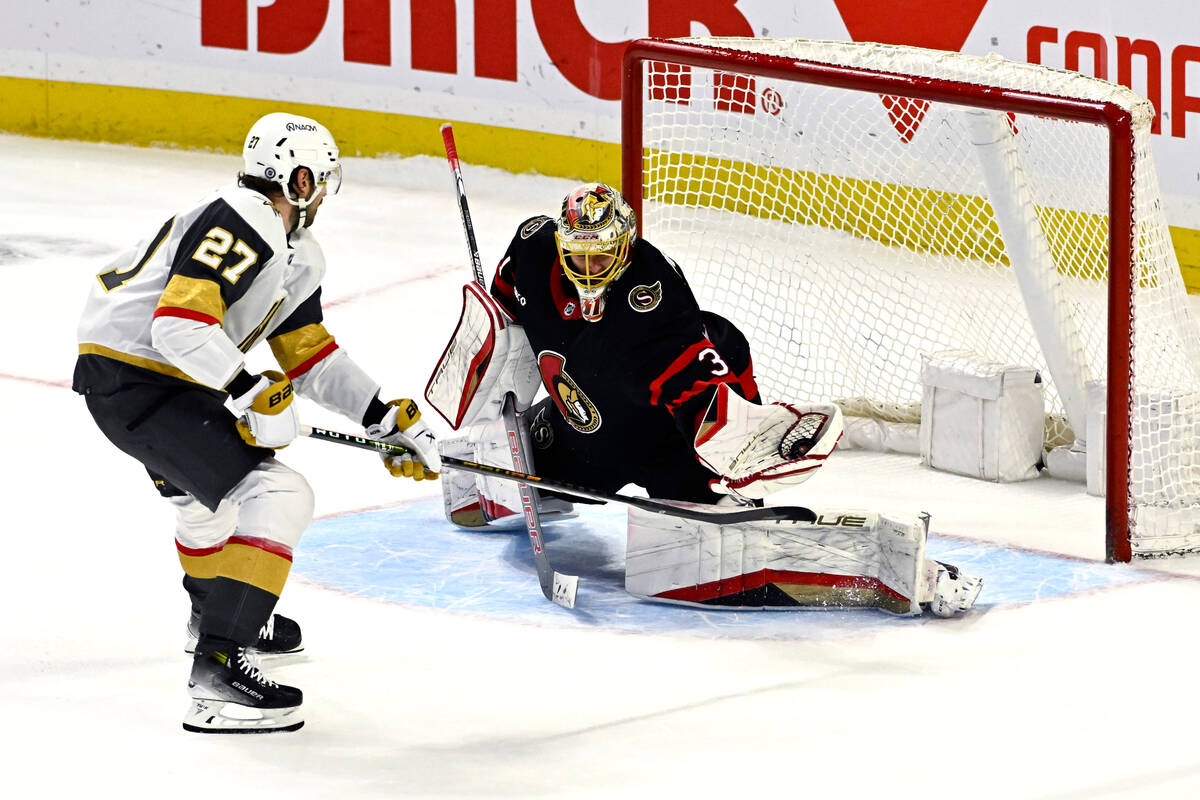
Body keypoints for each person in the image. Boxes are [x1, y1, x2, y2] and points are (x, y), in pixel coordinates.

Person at [427, 182, 981, 617]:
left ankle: (885, 568)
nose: (591, 269)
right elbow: (500, 319)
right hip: (577, 431)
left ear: (627, 244)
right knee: (475, 491)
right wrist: (484, 401)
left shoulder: (653, 294)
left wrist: (741, 443)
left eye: (604, 256)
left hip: (658, 449)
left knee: (700, 555)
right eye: (580, 256)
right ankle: (509, 468)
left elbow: (696, 385)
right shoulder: (532, 248)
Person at [72, 112, 440, 733]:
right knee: (279, 492)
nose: (324, 194)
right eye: (320, 181)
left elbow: (308, 357)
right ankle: (219, 672)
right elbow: (178, 326)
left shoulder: (294, 251)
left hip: (154, 378)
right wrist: (246, 392)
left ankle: (213, 614)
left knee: (205, 504)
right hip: (140, 379)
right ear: (299, 181)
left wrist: (382, 417)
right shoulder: (248, 218)